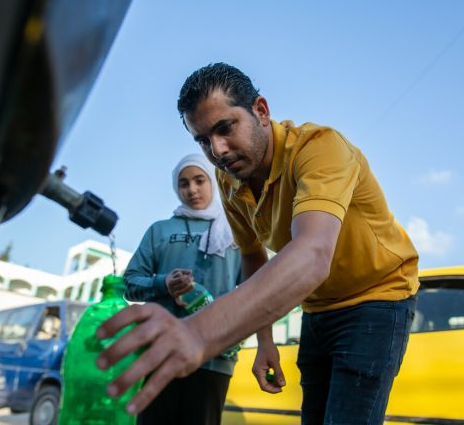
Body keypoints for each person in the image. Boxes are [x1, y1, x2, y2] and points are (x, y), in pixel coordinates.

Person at [96, 63, 419, 425]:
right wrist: (264, 340)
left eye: (225, 128)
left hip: (377, 298)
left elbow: (312, 255)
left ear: (261, 111)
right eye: (202, 140)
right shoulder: (230, 178)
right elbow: (252, 257)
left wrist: (197, 333)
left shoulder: (321, 149)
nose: (217, 150)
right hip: (318, 309)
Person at [123, 153, 242, 425]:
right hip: (161, 354)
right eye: (184, 184)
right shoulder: (160, 230)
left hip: (214, 357)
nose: (192, 190)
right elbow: (130, 282)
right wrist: (163, 283)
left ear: (213, 181)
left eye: (200, 180)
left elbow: (254, 290)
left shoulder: (236, 230)